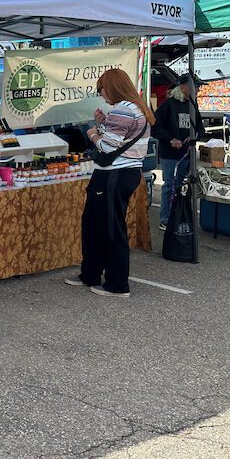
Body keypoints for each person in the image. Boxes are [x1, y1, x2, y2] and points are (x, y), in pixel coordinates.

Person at [67, 68, 153, 298]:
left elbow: (106, 147)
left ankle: (117, 284)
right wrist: (104, 124)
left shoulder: (123, 110)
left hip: (114, 174)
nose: (101, 94)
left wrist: (93, 134)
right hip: (123, 172)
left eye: (101, 89)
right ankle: (91, 274)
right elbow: (120, 139)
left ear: (112, 87)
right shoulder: (136, 108)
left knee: (109, 228)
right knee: (95, 223)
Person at [151, 74, 205, 231]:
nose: (198, 89)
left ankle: (179, 215)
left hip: (187, 154)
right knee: (169, 186)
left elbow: (200, 128)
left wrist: (194, 137)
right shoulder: (168, 105)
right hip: (170, 155)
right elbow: (154, 127)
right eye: (196, 86)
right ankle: (165, 219)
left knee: (183, 186)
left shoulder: (193, 105)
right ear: (183, 87)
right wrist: (171, 139)